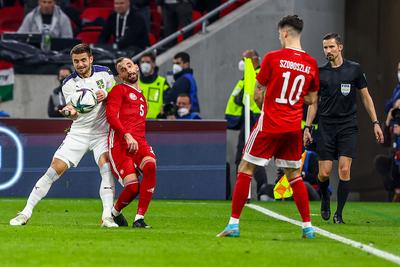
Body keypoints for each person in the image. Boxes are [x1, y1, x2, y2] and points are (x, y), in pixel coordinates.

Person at [217, 15, 319, 238]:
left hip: (270, 123)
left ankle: (233, 224)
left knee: (245, 168)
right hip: (293, 127)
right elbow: (312, 99)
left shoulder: (273, 58)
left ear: (284, 33)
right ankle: (308, 227)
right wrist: (293, 99)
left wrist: (271, 102)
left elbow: (257, 92)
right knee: (294, 175)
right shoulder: (311, 63)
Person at [10, 44, 118, 227]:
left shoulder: (105, 74)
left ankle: (107, 216)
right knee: (53, 170)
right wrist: (69, 112)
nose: (80, 64)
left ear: (91, 59)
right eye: (76, 61)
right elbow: (75, 111)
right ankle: (25, 212)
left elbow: (116, 98)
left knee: (106, 169)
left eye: (84, 60)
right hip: (78, 132)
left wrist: (106, 94)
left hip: (102, 132)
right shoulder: (68, 83)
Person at [304, 33, 384, 224]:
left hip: (348, 126)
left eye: (331, 47)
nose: (328, 51)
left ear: (340, 47)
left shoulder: (354, 69)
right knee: (323, 173)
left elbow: (366, 97)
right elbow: (313, 103)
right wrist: (307, 127)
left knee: (344, 169)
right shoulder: (320, 72)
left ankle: (339, 214)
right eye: (325, 47)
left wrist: (375, 123)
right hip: (325, 127)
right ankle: (325, 198)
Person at [106, 57, 157, 228]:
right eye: (122, 69)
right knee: (133, 187)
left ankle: (139, 218)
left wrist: (134, 137)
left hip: (139, 142)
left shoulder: (143, 98)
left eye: (129, 65)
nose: (127, 70)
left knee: (150, 165)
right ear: (119, 76)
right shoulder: (119, 90)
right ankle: (114, 213)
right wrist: (127, 135)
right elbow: (112, 116)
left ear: (136, 67)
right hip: (120, 143)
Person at [225, 49, 269, 200]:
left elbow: (248, 97)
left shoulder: (257, 75)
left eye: (244, 59)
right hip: (246, 121)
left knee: (251, 156)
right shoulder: (247, 77)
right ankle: (245, 192)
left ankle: (263, 190)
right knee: (242, 157)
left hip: (255, 119)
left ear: (253, 60)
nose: (241, 63)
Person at [138, 52, 170, 119]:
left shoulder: (162, 82)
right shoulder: (134, 83)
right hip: (138, 124)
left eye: (148, 62)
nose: (145, 64)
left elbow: (168, 104)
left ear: (154, 64)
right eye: (142, 62)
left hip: (157, 124)